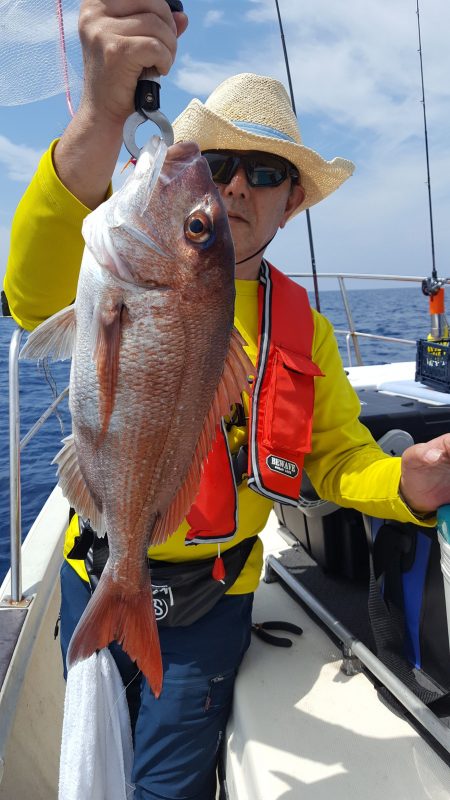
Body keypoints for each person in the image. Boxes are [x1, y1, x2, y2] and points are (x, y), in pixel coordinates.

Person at [3, 1, 450, 798]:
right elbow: (31, 295)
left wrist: (407, 485)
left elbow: (340, 457)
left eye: (267, 172)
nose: (237, 185)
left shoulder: (299, 328)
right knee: (91, 759)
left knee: (167, 782)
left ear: (292, 204)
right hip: (96, 564)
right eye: (218, 164)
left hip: (215, 600)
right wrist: (101, 115)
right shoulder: (117, 267)